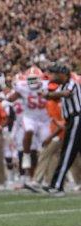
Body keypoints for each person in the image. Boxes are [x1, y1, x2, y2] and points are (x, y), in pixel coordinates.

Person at [41, 62, 81, 195]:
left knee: (67, 153)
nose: (52, 76)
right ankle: (56, 184)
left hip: (76, 119)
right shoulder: (62, 85)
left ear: (63, 74)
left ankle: (57, 185)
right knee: (69, 153)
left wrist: (48, 95)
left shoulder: (71, 84)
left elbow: (65, 93)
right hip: (72, 120)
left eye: (55, 73)